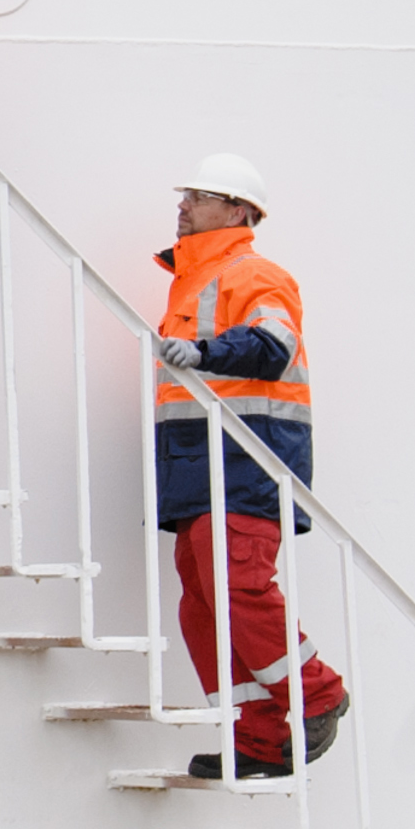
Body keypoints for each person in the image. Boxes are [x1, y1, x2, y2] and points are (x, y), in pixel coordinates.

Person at [154, 154, 348, 779]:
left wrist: (207, 350)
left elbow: (274, 344)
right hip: (196, 465)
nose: (183, 205)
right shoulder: (188, 281)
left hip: (247, 458)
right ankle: (260, 742)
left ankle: (318, 693)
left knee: (236, 589)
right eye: (185, 194)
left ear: (237, 211)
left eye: (200, 196)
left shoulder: (255, 273)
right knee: (201, 604)